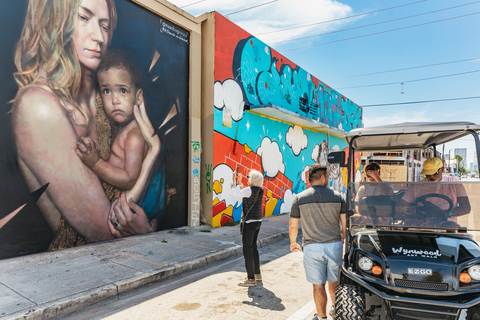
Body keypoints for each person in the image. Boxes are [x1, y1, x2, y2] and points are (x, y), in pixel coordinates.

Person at [11, 0, 160, 249]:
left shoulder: (101, 97)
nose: (99, 37)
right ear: (54, 21)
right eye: (83, 17)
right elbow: (106, 228)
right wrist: (153, 153)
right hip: (79, 266)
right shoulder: (38, 106)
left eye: (105, 25)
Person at [76, 51, 147, 201]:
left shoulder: (134, 136)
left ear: (138, 96)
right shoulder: (120, 127)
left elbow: (129, 179)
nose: (115, 100)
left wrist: (95, 163)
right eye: (107, 91)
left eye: (122, 91)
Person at [289, 164, 347, 320]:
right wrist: (341, 237)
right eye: (327, 176)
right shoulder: (338, 197)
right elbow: (344, 224)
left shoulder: (299, 199)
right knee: (334, 284)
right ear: (323, 177)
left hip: (312, 247)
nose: (328, 179)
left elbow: (293, 225)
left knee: (318, 286)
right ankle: (337, 312)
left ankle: (322, 317)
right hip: (334, 246)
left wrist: (293, 243)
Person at [397, 157, 471, 225]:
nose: (431, 176)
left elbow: (466, 207)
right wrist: (414, 212)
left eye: (434, 172)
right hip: (421, 223)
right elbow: (402, 204)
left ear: (441, 169)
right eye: (428, 173)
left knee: (453, 226)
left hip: (446, 224)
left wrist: (446, 214)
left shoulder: (454, 183)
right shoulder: (417, 185)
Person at [231, 169, 264, 287]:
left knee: (247, 250)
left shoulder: (248, 190)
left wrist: (232, 183)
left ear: (252, 179)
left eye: (249, 177)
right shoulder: (260, 190)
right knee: (254, 247)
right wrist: (240, 182)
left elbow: (234, 194)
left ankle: (250, 279)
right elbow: (246, 194)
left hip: (249, 223)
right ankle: (257, 274)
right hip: (258, 221)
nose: (247, 178)